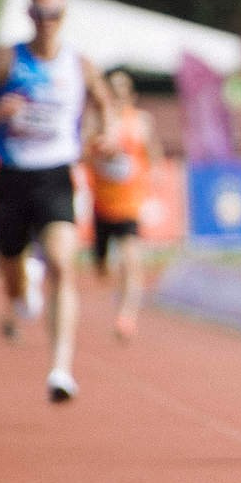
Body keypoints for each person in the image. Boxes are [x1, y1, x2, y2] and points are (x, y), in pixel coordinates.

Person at [0, 0, 114, 402]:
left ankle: (61, 369)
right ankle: (23, 288)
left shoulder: (79, 64)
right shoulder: (6, 59)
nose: (47, 22)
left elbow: (103, 103)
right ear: (29, 15)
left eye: (54, 14)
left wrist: (97, 135)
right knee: (11, 275)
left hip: (55, 174)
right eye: (39, 14)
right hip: (12, 177)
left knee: (63, 263)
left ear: (64, 16)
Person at [85, 69, 162, 340]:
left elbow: (153, 155)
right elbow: (83, 154)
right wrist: (99, 149)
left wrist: (153, 185)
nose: (116, 96)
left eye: (121, 91)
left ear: (131, 94)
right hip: (103, 203)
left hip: (130, 202)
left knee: (132, 260)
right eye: (112, 91)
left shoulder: (142, 121)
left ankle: (126, 315)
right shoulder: (96, 121)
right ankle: (109, 273)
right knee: (102, 268)